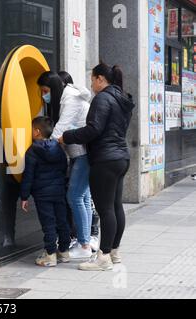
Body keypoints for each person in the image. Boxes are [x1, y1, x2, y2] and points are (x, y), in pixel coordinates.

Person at [59, 63, 135, 271]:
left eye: (92, 79)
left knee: (106, 209)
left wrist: (67, 136)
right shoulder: (121, 98)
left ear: (100, 79)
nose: (91, 84)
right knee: (116, 206)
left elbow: (93, 130)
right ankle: (114, 252)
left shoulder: (103, 98)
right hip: (121, 158)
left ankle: (103, 257)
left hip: (105, 159)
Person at [38, 71, 94, 260]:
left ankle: (84, 244)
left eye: (45, 91)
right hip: (82, 153)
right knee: (83, 197)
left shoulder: (70, 99)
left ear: (53, 88)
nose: (43, 95)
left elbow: (60, 130)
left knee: (74, 196)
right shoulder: (68, 96)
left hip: (83, 153)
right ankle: (85, 241)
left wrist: (39, 148)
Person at [20, 117, 70, 267]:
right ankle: (64, 251)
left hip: (42, 195)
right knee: (62, 221)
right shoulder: (58, 148)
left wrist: (24, 196)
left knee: (48, 223)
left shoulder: (32, 152)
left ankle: (50, 255)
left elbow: (28, 176)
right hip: (59, 191)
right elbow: (64, 168)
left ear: (36, 132)